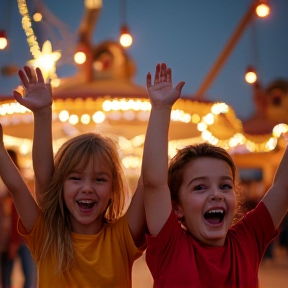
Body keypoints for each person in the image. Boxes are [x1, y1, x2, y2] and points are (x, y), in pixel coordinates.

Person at [142, 63, 288, 288]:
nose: (216, 194)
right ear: (176, 207)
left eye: (225, 186)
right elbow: (153, 183)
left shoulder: (247, 240)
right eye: (200, 187)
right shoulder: (170, 245)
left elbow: (284, 187)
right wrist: (161, 109)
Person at [0, 66, 146, 287]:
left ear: (113, 189)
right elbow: (22, 184)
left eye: (99, 179)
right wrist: (42, 113)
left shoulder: (121, 238)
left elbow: (150, 181)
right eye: (75, 178)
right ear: (59, 187)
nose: (87, 188)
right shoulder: (47, 236)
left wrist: (162, 109)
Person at [0, 150, 37, 288]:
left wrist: (14, 241)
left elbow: (17, 214)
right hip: (14, 237)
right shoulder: (13, 184)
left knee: (23, 278)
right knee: (16, 277)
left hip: (20, 237)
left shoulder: (16, 185)